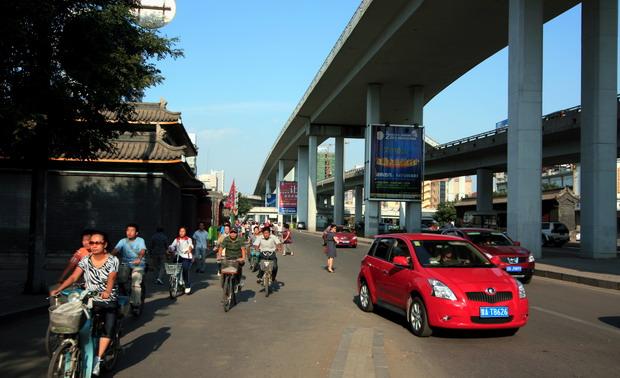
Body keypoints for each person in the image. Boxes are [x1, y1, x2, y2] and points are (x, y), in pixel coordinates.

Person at [51, 231, 118, 376]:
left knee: (108, 329)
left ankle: (98, 360)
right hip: (88, 298)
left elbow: (112, 277)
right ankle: (74, 347)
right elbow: (75, 276)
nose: (94, 246)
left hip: (107, 299)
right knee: (77, 322)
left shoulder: (112, 260)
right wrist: (59, 288)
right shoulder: (85, 259)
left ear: (105, 244)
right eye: (92, 243)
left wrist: (107, 291)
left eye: (98, 243)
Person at [112, 223, 146, 309]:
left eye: (132, 230)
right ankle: (122, 298)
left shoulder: (140, 240)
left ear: (136, 233)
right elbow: (116, 250)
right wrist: (109, 257)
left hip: (138, 264)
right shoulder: (122, 241)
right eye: (128, 230)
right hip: (125, 264)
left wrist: (139, 258)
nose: (129, 232)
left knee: (136, 279)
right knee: (118, 280)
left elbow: (142, 250)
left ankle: (136, 303)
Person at [217, 228, 246, 292]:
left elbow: (243, 249)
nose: (233, 234)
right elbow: (221, 247)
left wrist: (243, 258)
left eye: (234, 233)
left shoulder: (240, 239)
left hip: (238, 258)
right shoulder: (226, 239)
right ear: (229, 233)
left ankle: (238, 283)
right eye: (231, 232)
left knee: (239, 267)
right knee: (223, 267)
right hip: (228, 257)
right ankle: (223, 282)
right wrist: (219, 256)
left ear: (237, 233)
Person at [168, 226, 194, 294]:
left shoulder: (188, 239)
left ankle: (187, 285)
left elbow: (191, 245)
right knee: (174, 269)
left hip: (186, 257)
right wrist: (170, 249)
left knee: (185, 269)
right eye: (180, 231)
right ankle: (175, 280)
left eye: (183, 231)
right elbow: (172, 246)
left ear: (185, 232)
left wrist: (189, 250)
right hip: (178, 256)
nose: (181, 233)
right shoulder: (176, 239)